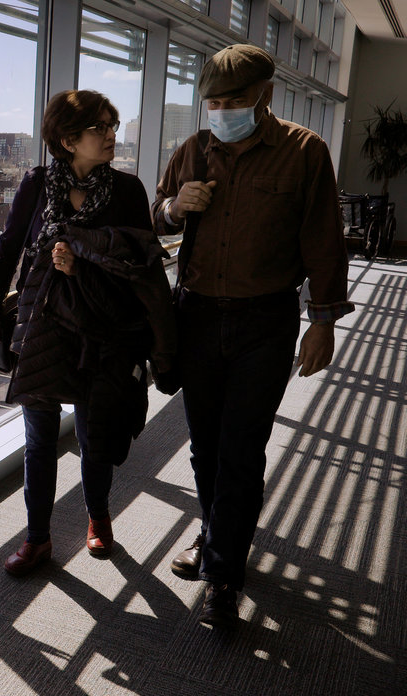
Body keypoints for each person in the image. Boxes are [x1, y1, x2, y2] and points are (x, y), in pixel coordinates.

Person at [152, 44, 353, 627]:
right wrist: (174, 207)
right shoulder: (193, 150)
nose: (221, 111)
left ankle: (222, 575)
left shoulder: (303, 152)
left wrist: (322, 323)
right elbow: (153, 217)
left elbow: (324, 242)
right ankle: (216, 532)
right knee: (205, 446)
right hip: (196, 317)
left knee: (241, 449)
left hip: (265, 322)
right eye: (212, 102)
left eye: (233, 100)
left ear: (265, 94)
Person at [0, 89, 176, 578]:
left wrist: (81, 262)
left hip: (100, 328)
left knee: (93, 433)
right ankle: (37, 538)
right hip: (42, 325)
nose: (110, 135)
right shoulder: (37, 184)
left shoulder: (127, 190)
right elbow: (7, 251)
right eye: (98, 127)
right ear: (67, 139)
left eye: (112, 125)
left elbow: (138, 264)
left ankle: (98, 517)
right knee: (39, 439)